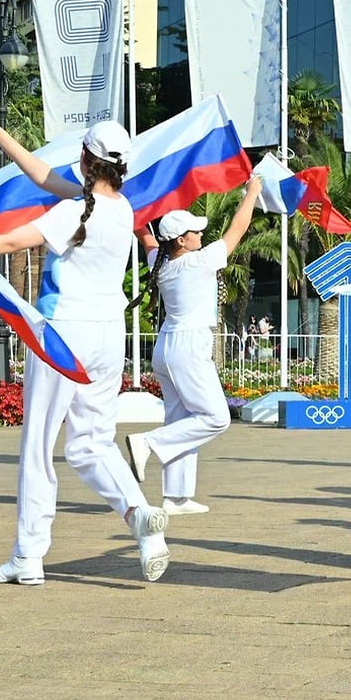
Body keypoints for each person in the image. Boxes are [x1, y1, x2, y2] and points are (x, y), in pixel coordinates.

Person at [0, 109, 169, 585]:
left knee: (38, 443)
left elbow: (13, 239)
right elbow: (42, 175)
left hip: (62, 332)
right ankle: (139, 515)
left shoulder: (75, 210)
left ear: (84, 158)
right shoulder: (122, 210)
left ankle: (28, 556)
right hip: (106, 334)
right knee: (90, 443)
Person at [125, 178, 261, 514]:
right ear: (182, 241)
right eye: (195, 233)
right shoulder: (197, 261)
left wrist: (135, 198)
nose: (201, 235)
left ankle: (176, 497)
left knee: (180, 420)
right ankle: (148, 443)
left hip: (167, 347)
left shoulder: (164, 261)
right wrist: (252, 194)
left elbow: (144, 234)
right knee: (216, 418)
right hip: (188, 347)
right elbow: (237, 230)